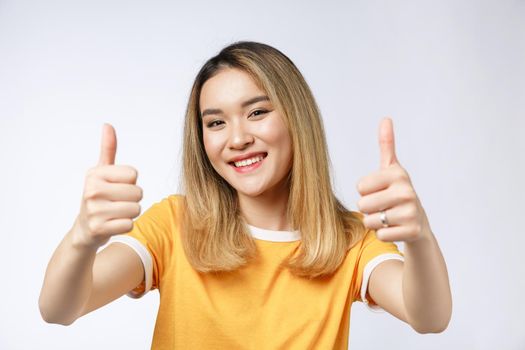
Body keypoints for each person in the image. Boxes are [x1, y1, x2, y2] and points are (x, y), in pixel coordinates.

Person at [39, 41, 452, 349]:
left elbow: (429, 316)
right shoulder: (174, 224)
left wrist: (419, 238)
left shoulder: (349, 240)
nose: (237, 138)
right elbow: (59, 309)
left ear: (296, 118)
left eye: (257, 112)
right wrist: (82, 237)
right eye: (215, 123)